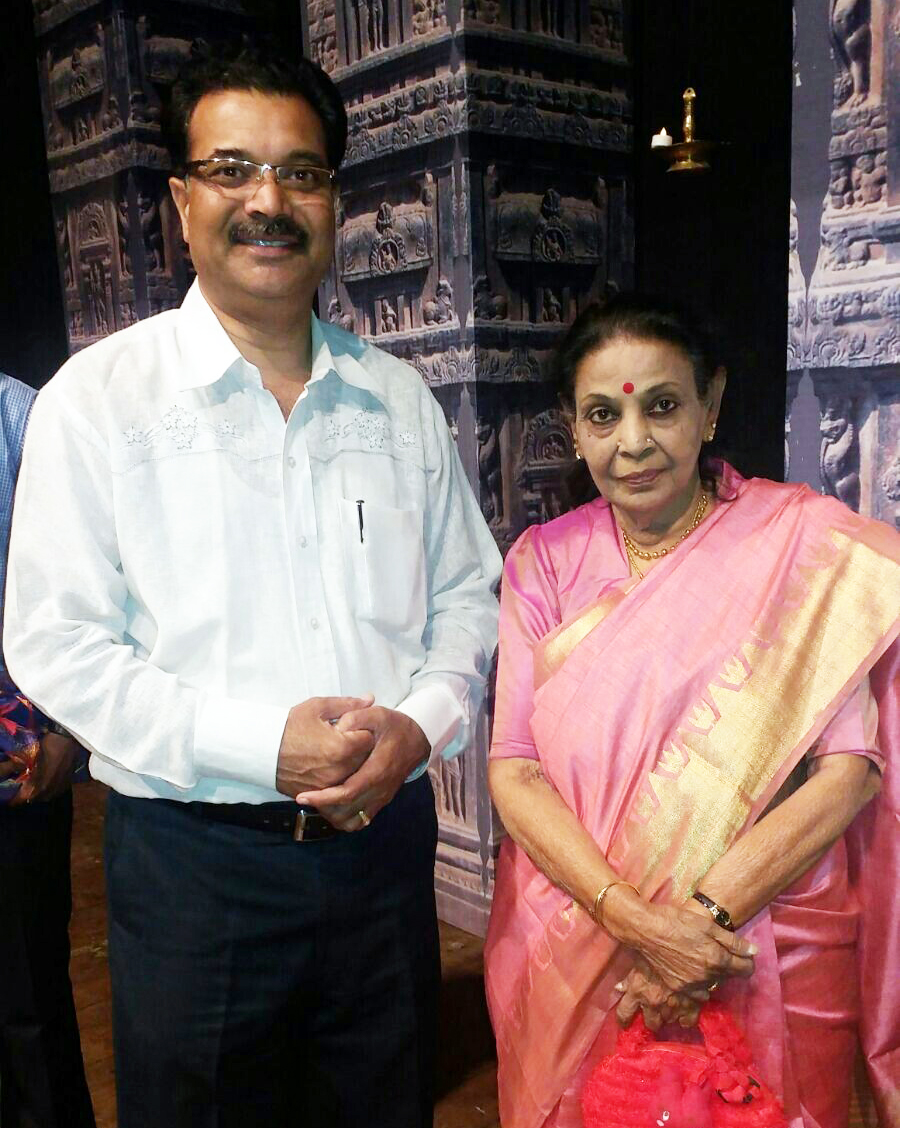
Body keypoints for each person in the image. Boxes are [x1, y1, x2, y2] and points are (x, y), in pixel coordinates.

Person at [4, 42, 501, 1128]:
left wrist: (419, 727)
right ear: (182, 200)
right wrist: (263, 746)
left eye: (301, 173)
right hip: (198, 874)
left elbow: (468, 596)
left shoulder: (398, 401)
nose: (268, 201)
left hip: (382, 855)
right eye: (232, 170)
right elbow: (56, 643)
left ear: (333, 201)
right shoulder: (99, 401)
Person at [483, 295, 900, 1128]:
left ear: (710, 407)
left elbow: (850, 772)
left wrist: (702, 924)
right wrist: (635, 921)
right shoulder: (545, 563)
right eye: (604, 415)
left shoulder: (799, 546)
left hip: (766, 937)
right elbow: (515, 769)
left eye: (663, 405)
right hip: (580, 937)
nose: (633, 441)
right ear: (573, 429)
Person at [0, 372, 95, 1128]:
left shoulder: (21, 417)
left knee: (28, 1003)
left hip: (14, 770)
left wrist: (69, 735)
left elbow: (92, 592)